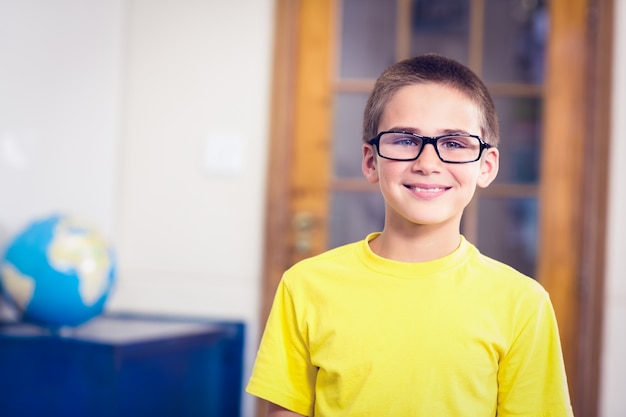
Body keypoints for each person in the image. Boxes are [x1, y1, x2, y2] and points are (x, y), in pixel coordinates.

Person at [246, 54, 574, 417]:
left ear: (486, 166)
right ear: (372, 161)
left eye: (453, 143)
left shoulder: (523, 303)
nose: (428, 163)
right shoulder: (305, 285)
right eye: (404, 140)